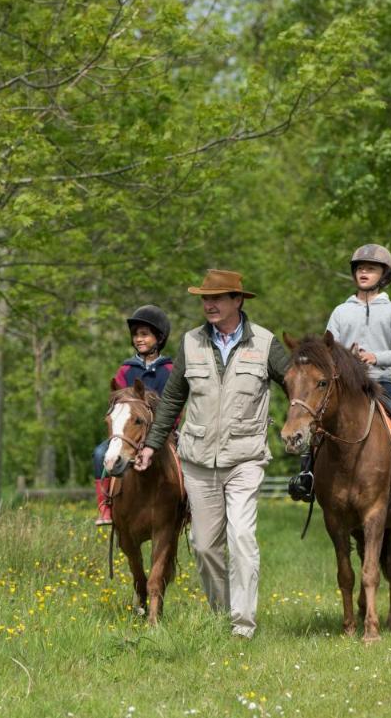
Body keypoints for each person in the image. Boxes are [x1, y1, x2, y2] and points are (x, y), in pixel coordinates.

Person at [135, 269, 290, 638]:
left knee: (241, 538)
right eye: (205, 298)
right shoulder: (191, 342)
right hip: (198, 460)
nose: (209, 304)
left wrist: (302, 427)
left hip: (245, 456)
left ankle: (242, 625)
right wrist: (151, 446)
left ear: (238, 300)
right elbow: (173, 398)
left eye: (217, 298)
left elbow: (296, 386)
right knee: (204, 546)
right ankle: (223, 614)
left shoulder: (266, 344)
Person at [287, 244, 391, 501]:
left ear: (383, 276)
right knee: (318, 415)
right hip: (345, 384)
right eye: (360, 268)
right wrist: (343, 356)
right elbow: (325, 349)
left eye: (371, 269)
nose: (364, 272)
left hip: (380, 380)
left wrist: (376, 356)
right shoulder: (341, 311)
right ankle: (306, 474)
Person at [91, 304, 175, 525]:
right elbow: (116, 406)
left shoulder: (169, 370)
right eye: (136, 335)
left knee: (189, 458)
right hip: (129, 433)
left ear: (159, 337)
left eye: (145, 334)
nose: (139, 339)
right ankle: (105, 507)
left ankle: (190, 509)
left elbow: (175, 404)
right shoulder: (126, 370)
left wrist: (169, 429)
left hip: (164, 433)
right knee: (100, 453)